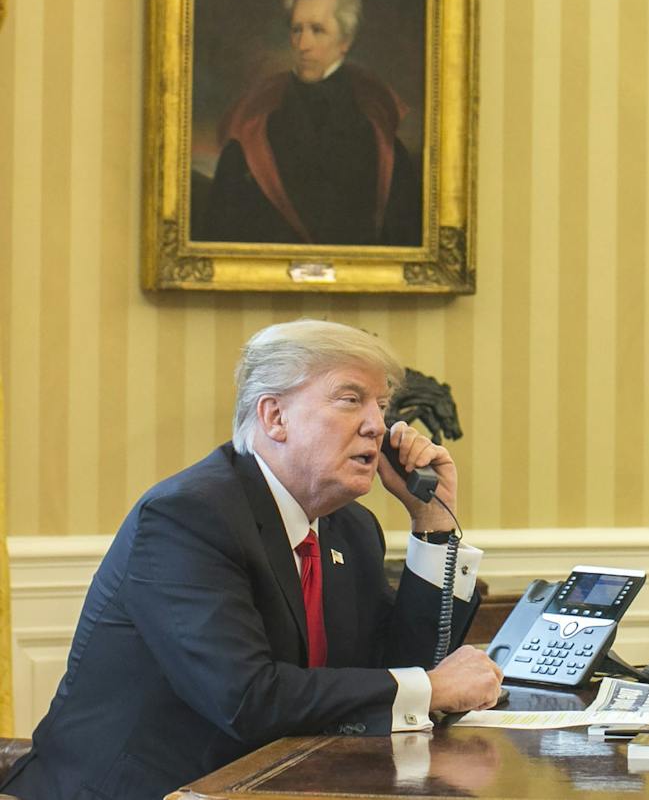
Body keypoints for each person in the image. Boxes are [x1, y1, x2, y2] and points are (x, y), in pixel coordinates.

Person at [1, 320, 502, 800]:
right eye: (351, 400)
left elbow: (396, 671)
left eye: (382, 405)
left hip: (276, 786)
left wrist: (433, 523)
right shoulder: (187, 518)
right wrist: (431, 687)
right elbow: (246, 699)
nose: (379, 425)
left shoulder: (351, 528)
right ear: (274, 417)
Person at [199, 0, 422, 246]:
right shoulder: (253, 131)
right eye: (296, 30)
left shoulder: (380, 140)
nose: (303, 44)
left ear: (345, 40)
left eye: (317, 30)